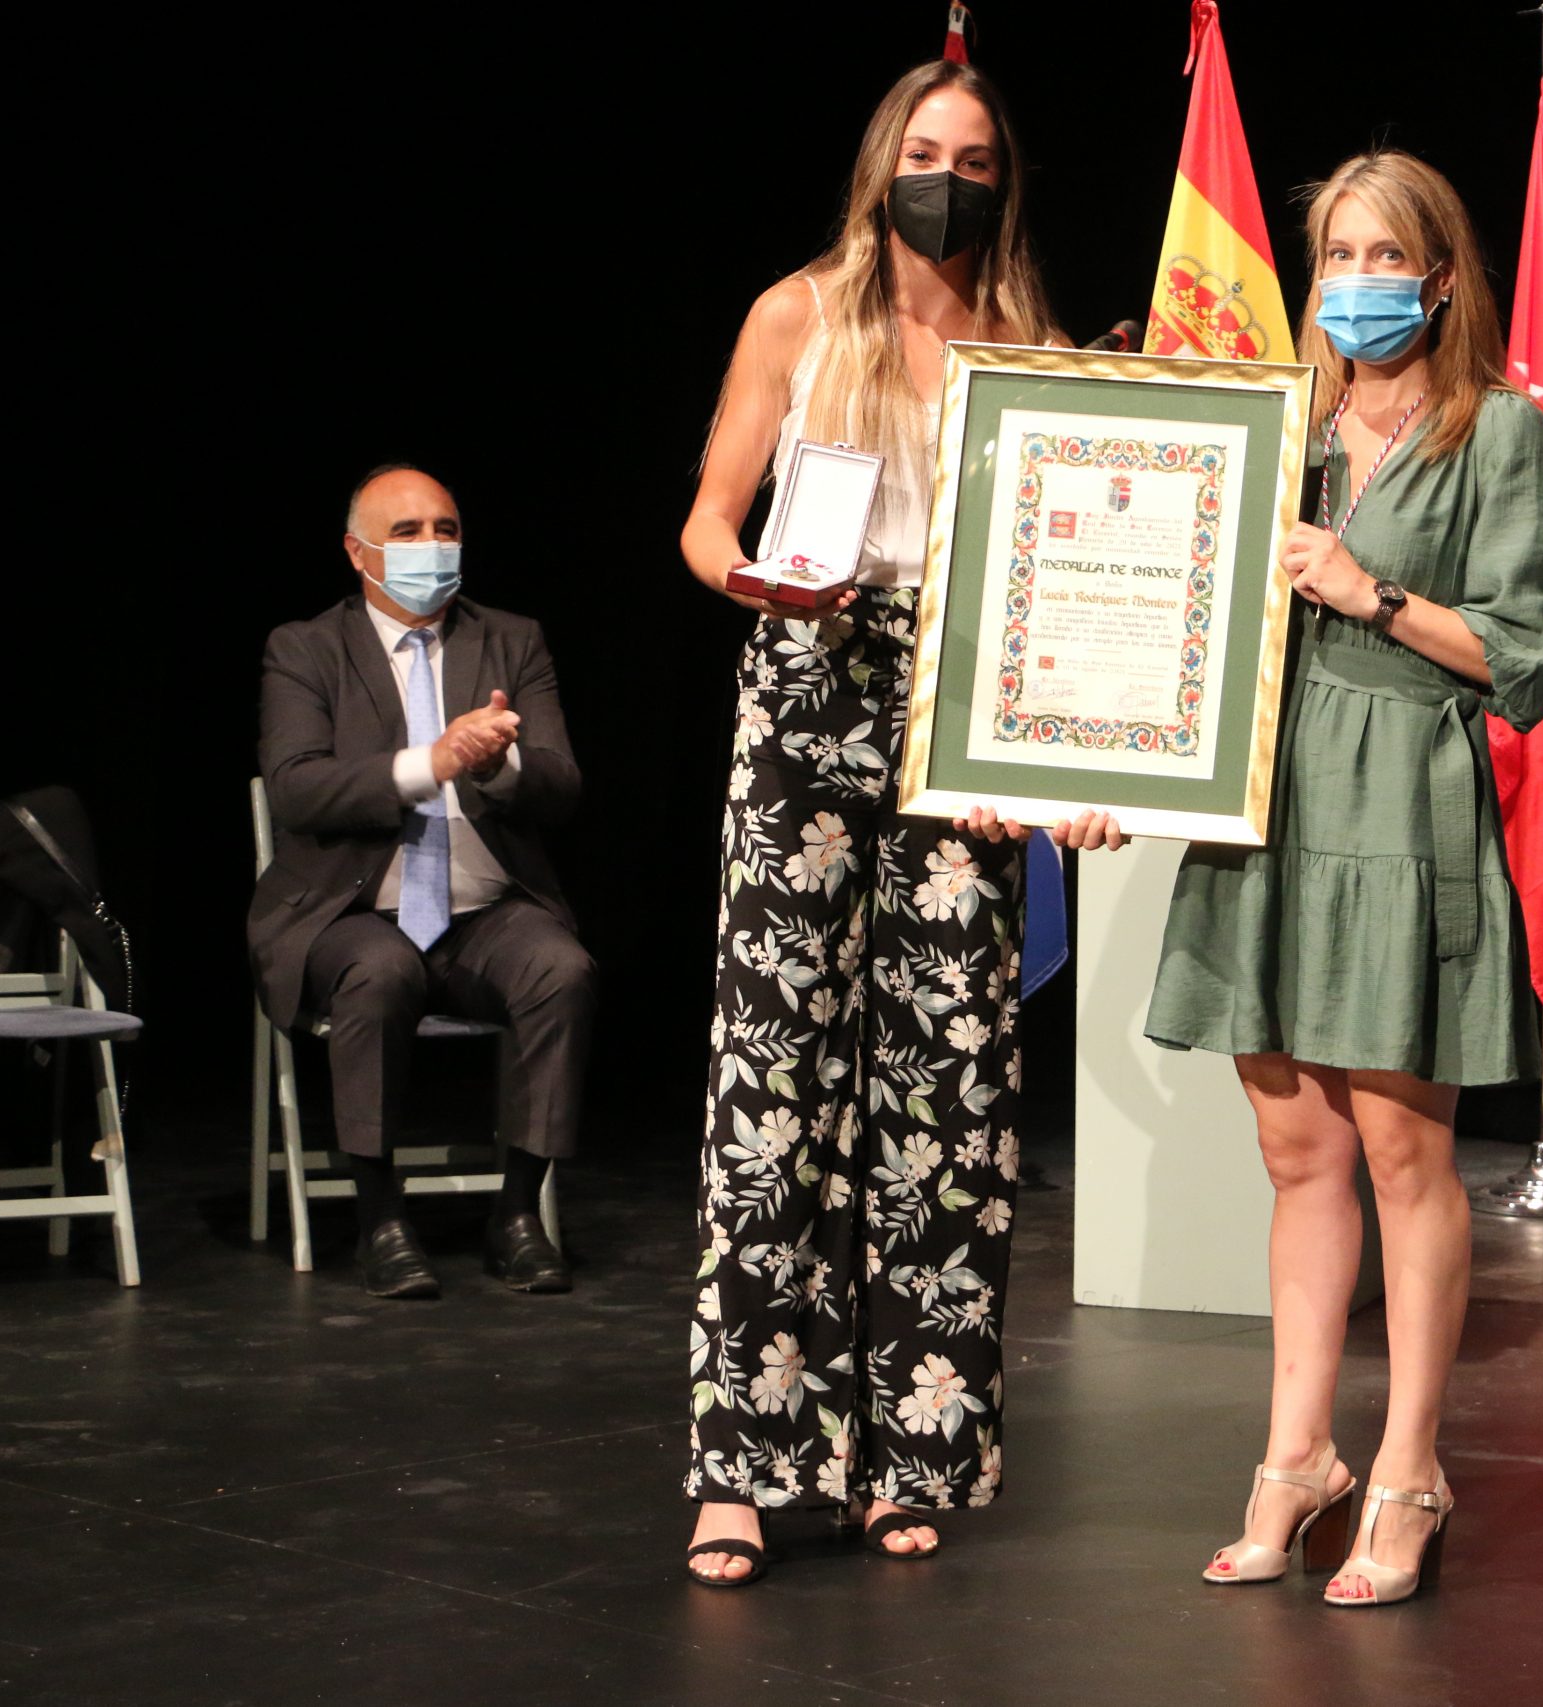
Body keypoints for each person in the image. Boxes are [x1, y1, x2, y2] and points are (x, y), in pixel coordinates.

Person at [676, 60, 1119, 1587]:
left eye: (977, 155)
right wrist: (759, 586)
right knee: (776, 1076)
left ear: (1006, 175)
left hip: (963, 707)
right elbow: (706, 522)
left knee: (947, 1092)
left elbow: (1073, 583)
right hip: (807, 684)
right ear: (883, 163)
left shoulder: (1032, 341)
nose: (951, 174)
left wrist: (1085, 765)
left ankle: (907, 1452)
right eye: (927, 150)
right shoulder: (800, 312)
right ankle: (744, 1464)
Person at [1145, 150, 1543, 1606]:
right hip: (1263, 798)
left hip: (1402, 790)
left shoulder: (1497, 431)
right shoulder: (1272, 423)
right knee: (1296, 1154)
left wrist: (1370, 589)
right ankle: (1293, 1456)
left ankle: (1408, 1465)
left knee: (1404, 1154)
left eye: (1388, 255)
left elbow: (1529, 655)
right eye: (1337, 252)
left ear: (1443, 275)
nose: (1358, 282)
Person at [252, 464, 594, 1301]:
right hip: (349, 909)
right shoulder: (305, 647)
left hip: (483, 909)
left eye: (445, 529)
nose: (432, 546)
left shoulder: (511, 639)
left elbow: (562, 785)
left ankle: (517, 1215)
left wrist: (499, 762)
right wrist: (428, 762)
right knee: (380, 971)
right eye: (406, 533)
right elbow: (296, 785)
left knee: (562, 969)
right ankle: (379, 1217)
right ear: (357, 551)